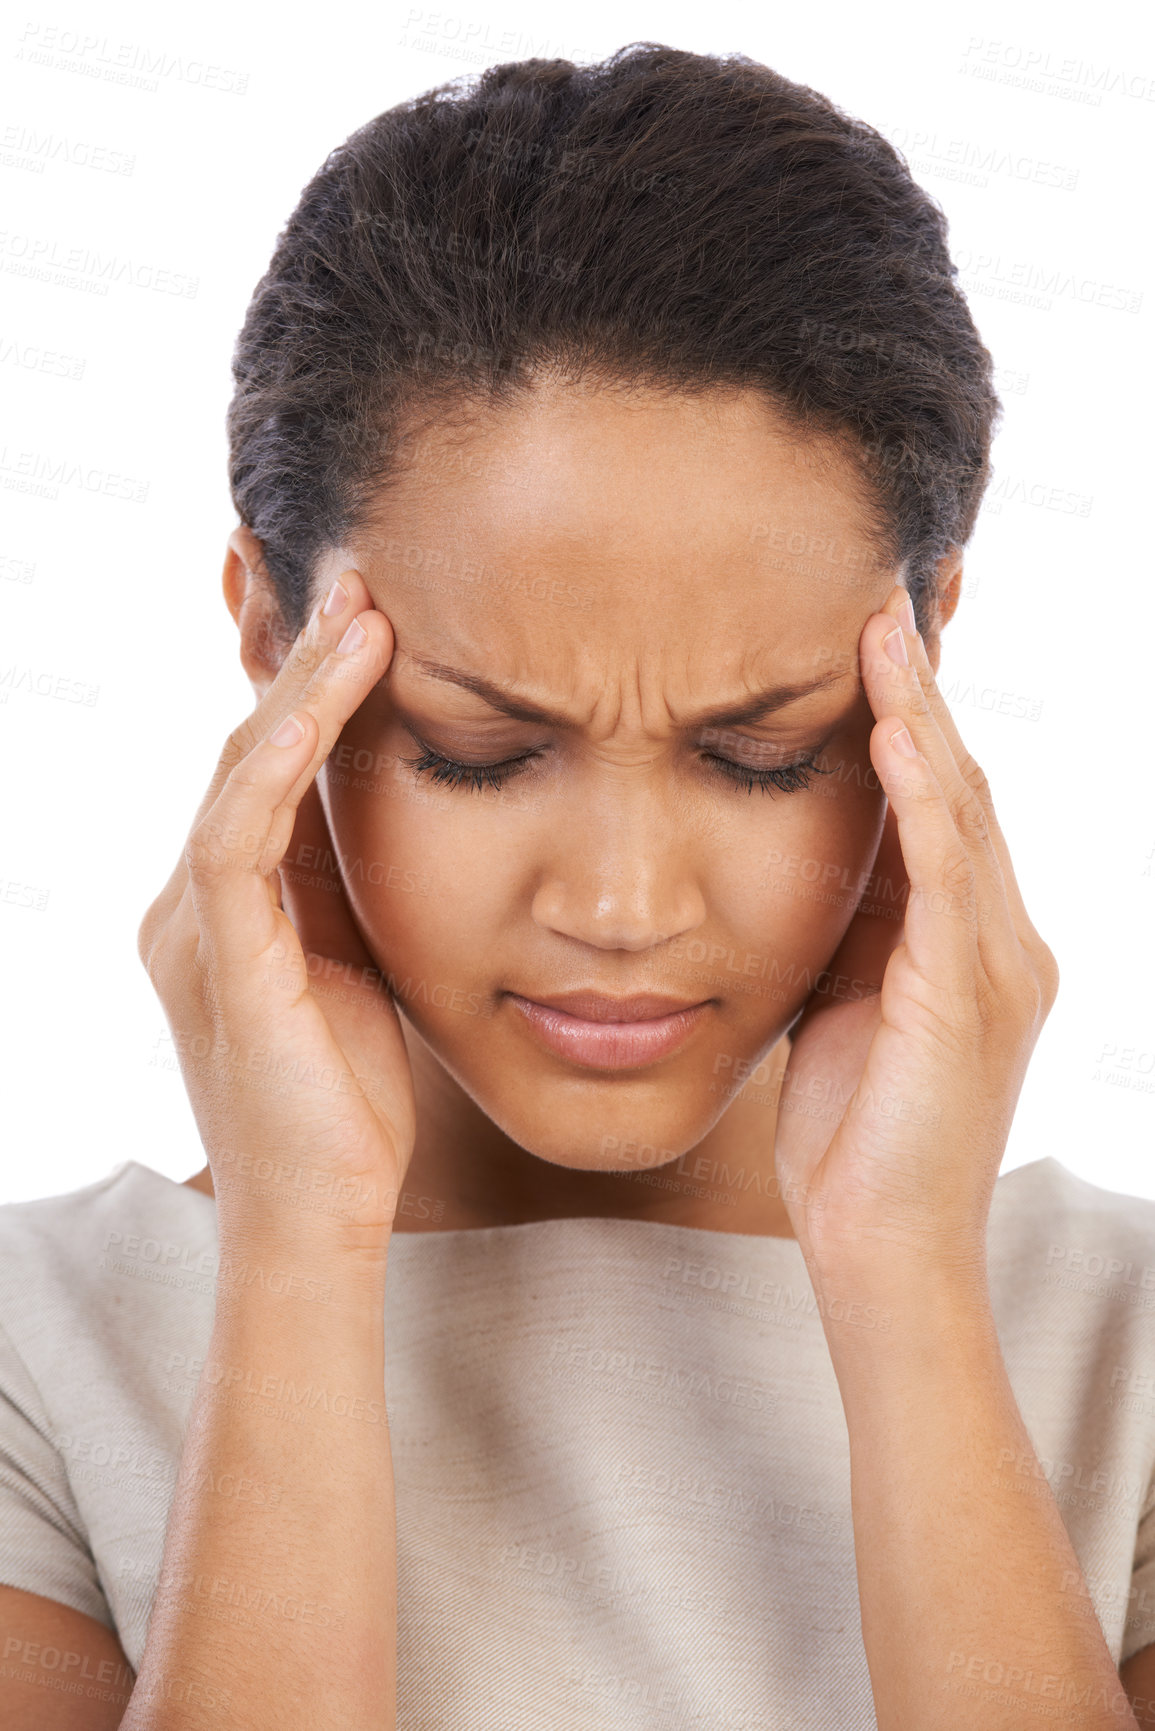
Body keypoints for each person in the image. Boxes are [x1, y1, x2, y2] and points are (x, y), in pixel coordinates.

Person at [2, 40, 1153, 1731]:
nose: (619, 906)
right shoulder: (42, 1346)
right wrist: (298, 1259)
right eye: (478, 746)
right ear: (270, 640)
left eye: (760, 752)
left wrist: (909, 1278)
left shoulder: (1123, 1338)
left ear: (926, 649)